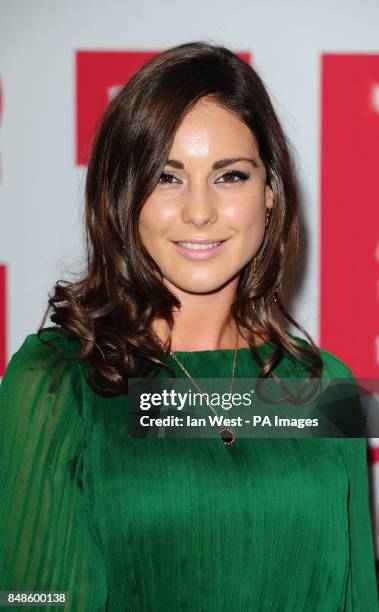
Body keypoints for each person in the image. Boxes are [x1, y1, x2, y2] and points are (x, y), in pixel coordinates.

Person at [0, 41, 377, 611]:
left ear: (270, 194)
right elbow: (31, 597)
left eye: (229, 176)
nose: (199, 212)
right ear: (122, 196)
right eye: (168, 177)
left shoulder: (325, 389)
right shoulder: (56, 382)